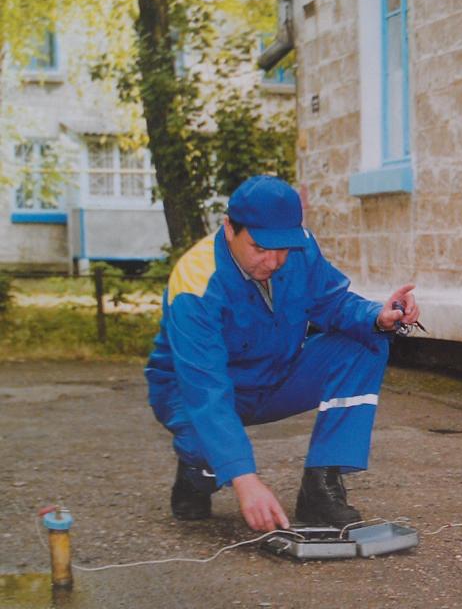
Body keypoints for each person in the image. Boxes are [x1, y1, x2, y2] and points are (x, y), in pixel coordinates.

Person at [145, 175, 421, 531]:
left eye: (282, 248)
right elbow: (205, 390)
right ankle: (197, 470)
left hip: (274, 375)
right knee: (206, 444)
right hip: (192, 391)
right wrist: (245, 480)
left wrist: (378, 317)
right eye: (260, 247)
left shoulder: (300, 247)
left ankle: (321, 487)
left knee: (366, 342)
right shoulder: (195, 282)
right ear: (229, 228)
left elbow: (333, 303)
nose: (274, 261)